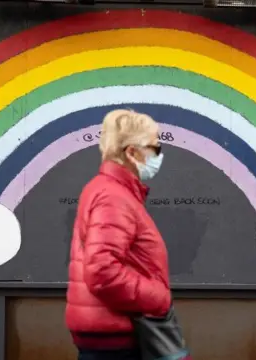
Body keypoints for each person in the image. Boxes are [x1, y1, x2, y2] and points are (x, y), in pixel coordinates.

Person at [65, 109, 172, 360]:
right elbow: (103, 271)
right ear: (132, 152)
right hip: (115, 338)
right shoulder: (113, 197)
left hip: (109, 331)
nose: (159, 155)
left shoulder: (109, 190)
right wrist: (159, 299)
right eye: (155, 148)